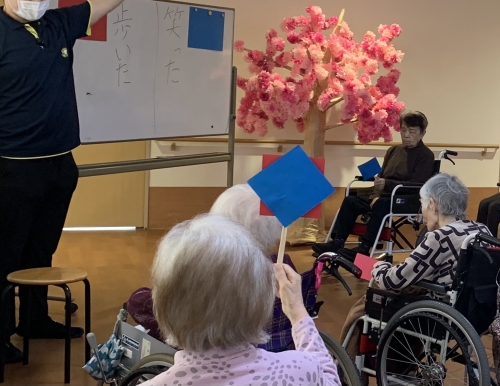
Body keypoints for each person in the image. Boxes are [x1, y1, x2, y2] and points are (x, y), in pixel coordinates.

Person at [0, 0, 159, 363]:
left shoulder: (57, 25)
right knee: (8, 254)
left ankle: (35, 319)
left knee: (42, 249)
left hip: (58, 163)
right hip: (11, 166)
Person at [140, 214, 341, 386]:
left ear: (163, 305)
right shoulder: (300, 371)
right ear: (260, 303)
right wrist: (296, 310)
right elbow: (330, 378)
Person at [127, 184, 312, 352]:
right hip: (276, 347)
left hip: (210, 347)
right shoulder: (285, 266)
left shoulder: (211, 269)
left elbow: (140, 305)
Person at [340, 173, 490, 356]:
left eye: (422, 203)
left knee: (365, 305)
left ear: (433, 204)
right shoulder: (481, 229)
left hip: (440, 313)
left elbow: (393, 280)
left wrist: (377, 267)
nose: (421, 212)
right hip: (477, 311)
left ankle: (345, 365)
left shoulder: (439, 237)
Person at [312, 111, 435, 258]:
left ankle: (364, 247)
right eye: (403, 130)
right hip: (384, 195)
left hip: (407, 199)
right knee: (351, 200)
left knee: (382, 204)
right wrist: (375, 194)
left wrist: (387, 185)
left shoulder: (426, 155)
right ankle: (337, 241)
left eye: (412, 131)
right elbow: (381, 177)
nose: (406, 135)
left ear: (422, 133)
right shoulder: (393, 150)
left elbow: (417, 184)